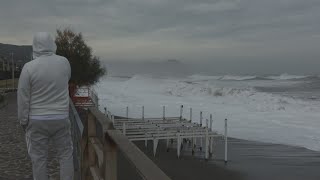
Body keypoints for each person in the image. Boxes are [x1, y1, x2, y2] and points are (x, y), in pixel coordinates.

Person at [17, 32, 73, 180]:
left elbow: (23, 97)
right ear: (52, 44)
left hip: (36, 120)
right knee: (66, 155)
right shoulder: (64, 62)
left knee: (39, 159)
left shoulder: (28, 67)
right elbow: (67, 78)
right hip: (61, 117)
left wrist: (24, 121)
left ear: (35, 45)